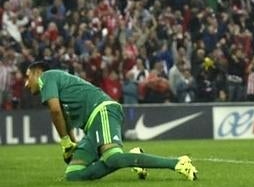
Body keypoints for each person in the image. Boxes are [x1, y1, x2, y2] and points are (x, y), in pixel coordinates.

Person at [24, 61, 198, 181]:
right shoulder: (57, 85)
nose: (26, 83)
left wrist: (64, 143)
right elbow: (63, 116)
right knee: (73, 173)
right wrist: (71, 143)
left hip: (102, 111)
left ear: (38, 72)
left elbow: (55, 112)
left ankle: (177, 163)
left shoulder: (46, 77)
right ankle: (133, 157)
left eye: (28, 76)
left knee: (113, 158)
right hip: (92, 126)